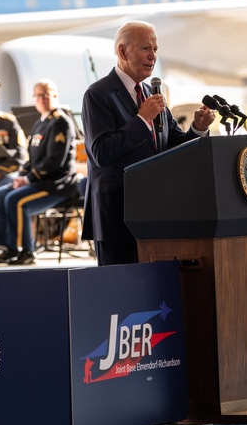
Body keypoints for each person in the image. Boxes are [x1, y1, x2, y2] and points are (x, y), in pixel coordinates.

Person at [81, 21, 215, 266]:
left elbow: (175, 147)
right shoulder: (98, 94)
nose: (153, 56)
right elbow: (101, 152)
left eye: (155, 49)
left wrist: (198, 128)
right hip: (116, 216)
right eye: (145, 48)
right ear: (122, 52)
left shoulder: (152, 95)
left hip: (155, 211)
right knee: (121, 294)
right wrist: (142, 119)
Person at [0, 79, 81, 265]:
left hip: (56, 185)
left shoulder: (61, 122)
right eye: (38, 95)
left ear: (55, 96)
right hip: (36, 182)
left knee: (15, 200)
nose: (41, 99)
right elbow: (31, 158)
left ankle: (26, 251)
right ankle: (8, 247)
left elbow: (54, 162)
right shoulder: (39, 123)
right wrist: (21, 176)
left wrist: (27, 180)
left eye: (46, 94)